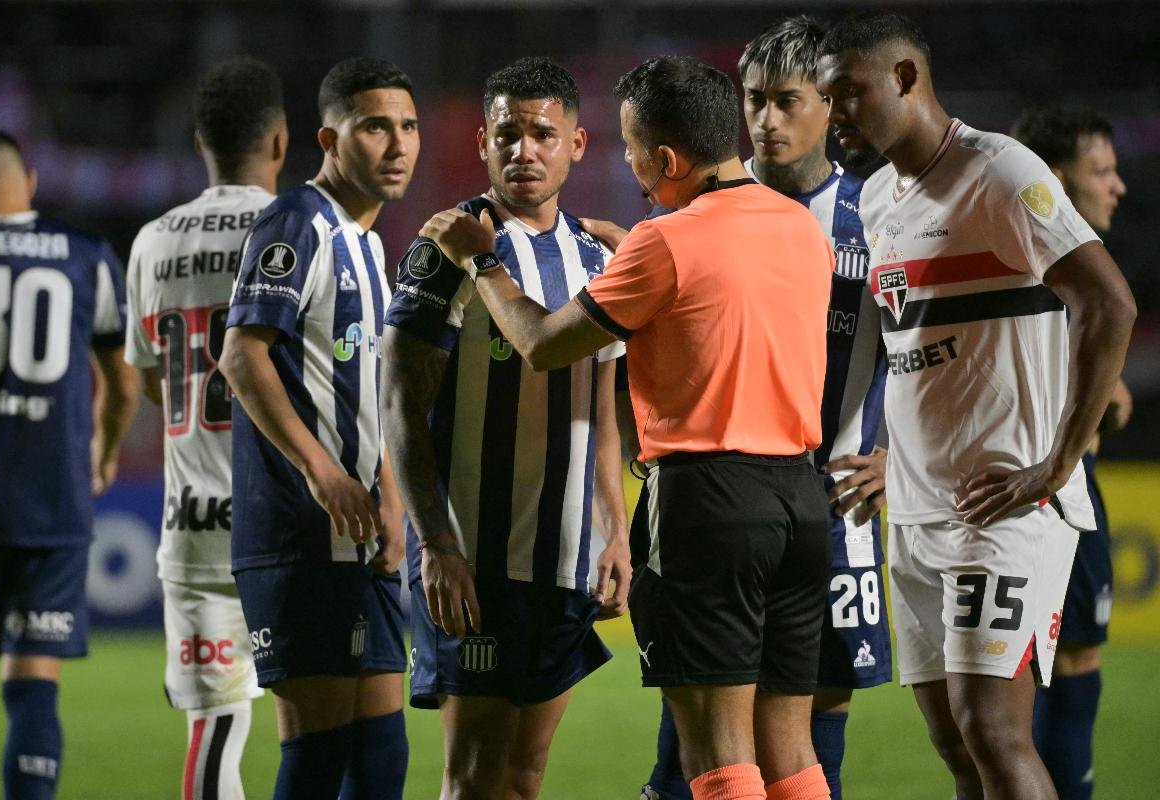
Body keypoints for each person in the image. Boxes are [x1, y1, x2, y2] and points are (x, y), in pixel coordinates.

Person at [420, 55, 836, 800]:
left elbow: (543, 343)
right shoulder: (800, 226)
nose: (634, 171)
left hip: (709, 504)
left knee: (718, 753)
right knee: (791, 752)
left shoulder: (664, 241)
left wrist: (485, 265)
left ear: (667, 158)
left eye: (636, 153)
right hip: (801, 503)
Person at [817, 13, 1136, 800]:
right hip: (917, 511)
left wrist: (1056, 465)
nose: (836, 113)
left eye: (849, 91)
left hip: (1005, 506)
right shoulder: (879, 196)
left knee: (994, 731)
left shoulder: (998, 170)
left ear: (904, 78)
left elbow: (1109, 304)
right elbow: (916, 356)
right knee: (960, 749)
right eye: (827, 98)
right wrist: (893, 456)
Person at [627, 17, 891, 800]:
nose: (766, 120)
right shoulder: (695, 218)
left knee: (809, 736)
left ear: (829, 105)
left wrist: (901, 456)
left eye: (787, 100)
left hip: (833, 511)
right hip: (733, 501)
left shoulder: (877, 217)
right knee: (698, 741)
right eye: (753, 99)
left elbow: (939, 349)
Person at [381, 56, 630, 800]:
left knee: (523, 776)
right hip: (474, 561)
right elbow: (400, 407)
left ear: (576, 144)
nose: (524, 150)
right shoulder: (448, 246)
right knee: (473, 777)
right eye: (507, 134)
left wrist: (615, 531)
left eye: (543, 134)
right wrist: (436, 543)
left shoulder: (595, 254)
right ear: (483, 144)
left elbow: (601, 411)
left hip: (561, 564)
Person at [216, 57, 418, 800]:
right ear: (330, 139)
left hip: (361, 536)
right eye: (375, 127)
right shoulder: (298, 221)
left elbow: (369, 390)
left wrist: (391, 493)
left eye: (408, 126)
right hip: (301, 535)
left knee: (380, 759)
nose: (397, 144)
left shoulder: (369, 243)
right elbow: (242, 355)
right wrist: (322, 471)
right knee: (318, 756)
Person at [124, 58, 287, 800]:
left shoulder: (152, 240)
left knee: (216, 730)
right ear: (280, 140)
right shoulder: (301, 230)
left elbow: (153, 380)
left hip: (193, 526)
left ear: (200, 143)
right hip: (290, 521)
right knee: (326, 729)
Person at [0, 128, 139, 800]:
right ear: (29, 184)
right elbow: (122, 382)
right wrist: (106, 447)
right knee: (34, 688)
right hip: (52, 503)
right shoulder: (85, 254)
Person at [1013, 106, 1133, 800]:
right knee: (1065, 665)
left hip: (1044, 485)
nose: (1117, 185)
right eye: (1102, 171)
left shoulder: (1029, 262)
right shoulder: (1049, 269)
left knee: (1029, 674)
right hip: (1054, 488)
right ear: (1056, 181)